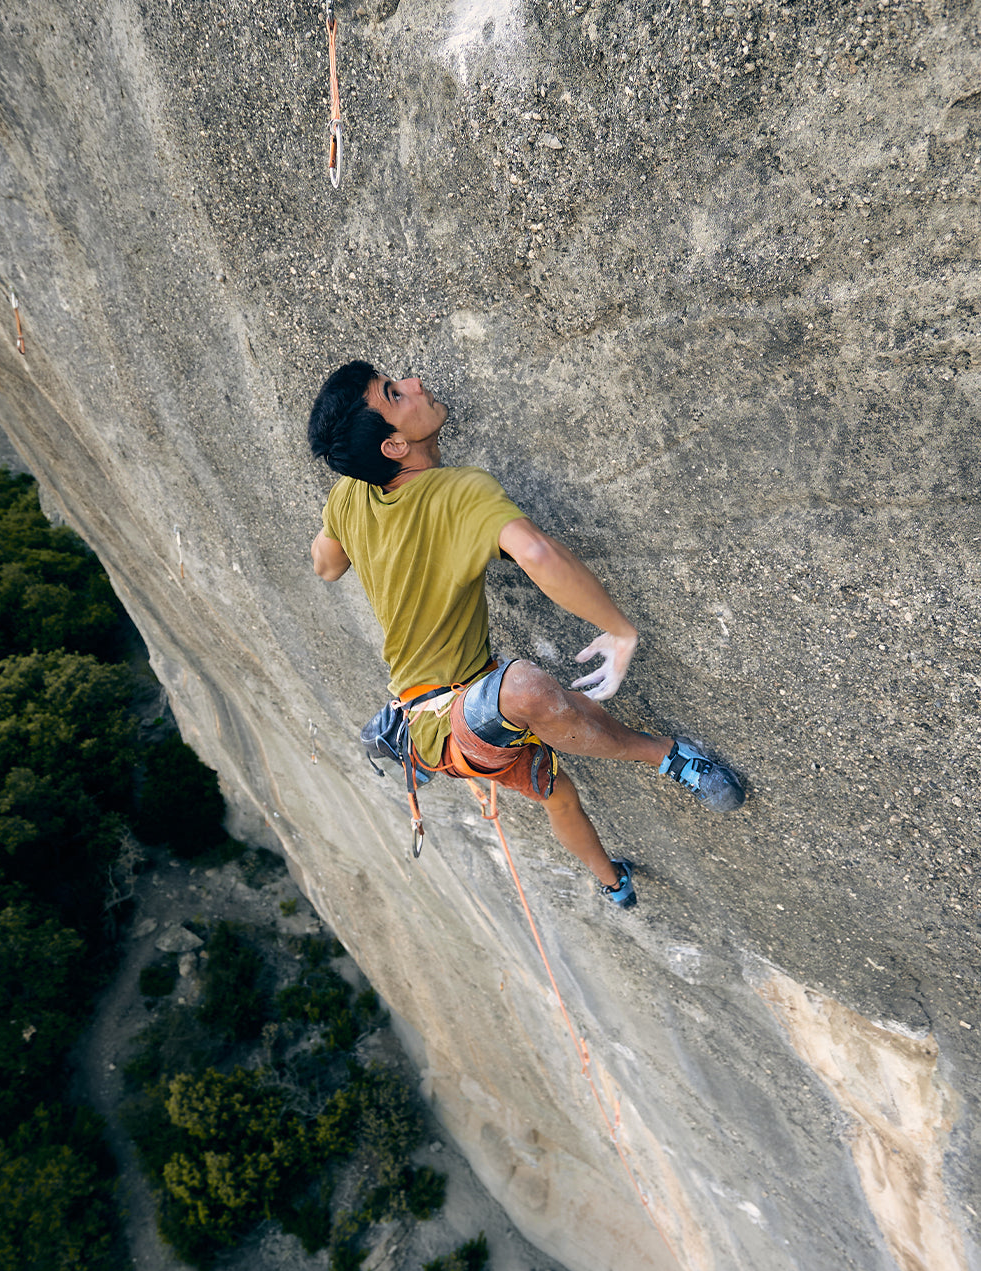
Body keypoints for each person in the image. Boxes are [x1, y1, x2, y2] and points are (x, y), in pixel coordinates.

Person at [308, 360, 744, 908]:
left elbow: (325, 566)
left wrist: (345, 518)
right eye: (396, 394)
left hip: (455, 718)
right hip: (449, 722)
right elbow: (536, 552)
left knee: (558, 792)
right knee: (528, 692)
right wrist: (618, 630)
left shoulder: (349, 497)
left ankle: (613, 883)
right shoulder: (456, 492)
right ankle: (667, 756)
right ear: (393, 447)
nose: (417, 382)